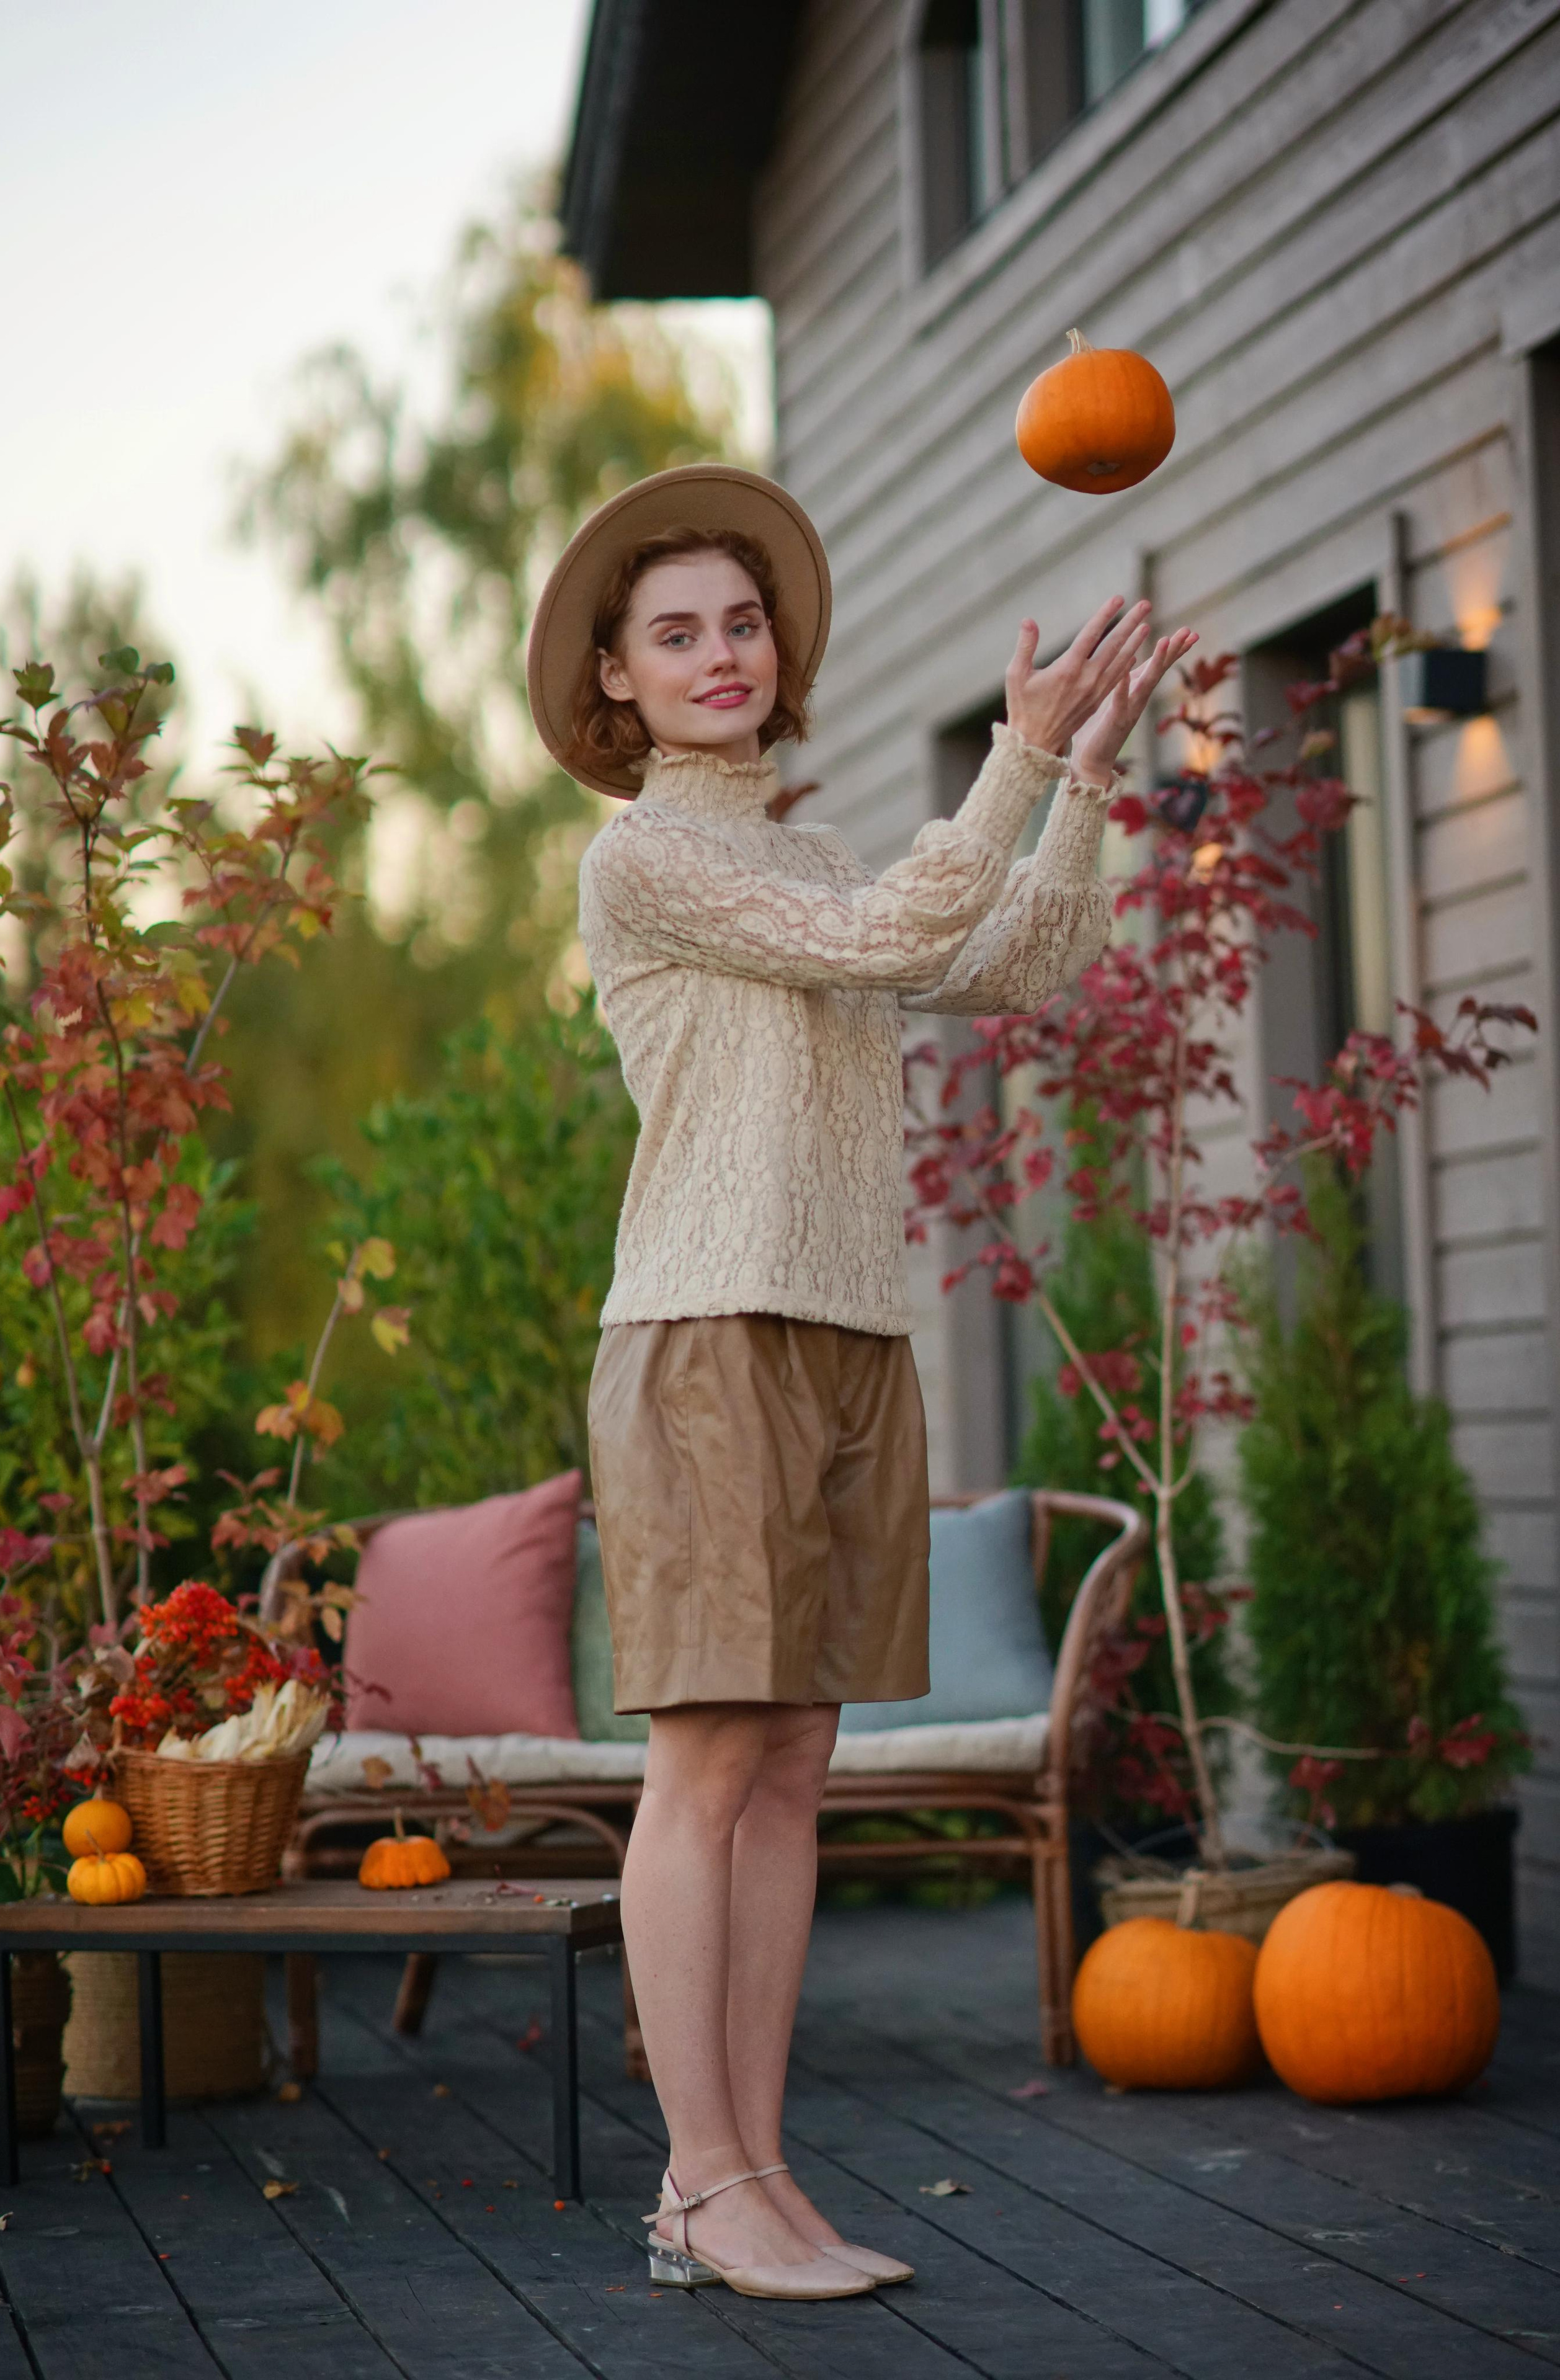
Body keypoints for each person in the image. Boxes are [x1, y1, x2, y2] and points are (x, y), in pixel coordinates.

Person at [527, 465, 1195, 2301]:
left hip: (844, 1330)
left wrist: (1074, 778)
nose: (721, 653)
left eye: (741, 623)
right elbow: (910, 935)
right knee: (713, 1759)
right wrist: (1009, 760)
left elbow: (1012, 956)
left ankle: (759, 2171)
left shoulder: (812, 860)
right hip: (706, 1331)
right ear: (618, 678)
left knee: (798, 1767)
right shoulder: (646, 855)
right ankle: (698, 2181)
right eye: (677, 633)